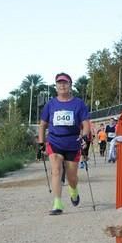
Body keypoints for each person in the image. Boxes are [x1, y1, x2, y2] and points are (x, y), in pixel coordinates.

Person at [37, 73, 91, 215]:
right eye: (59, 83)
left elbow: (86, 124)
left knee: (72, 177)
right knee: (55, 170)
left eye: (65, 83)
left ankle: (73, 190)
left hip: (73, 143)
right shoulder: (50, 104)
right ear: (56, 87)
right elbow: (42, 125)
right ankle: (57, 203)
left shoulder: (79, 104)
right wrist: (41, 143)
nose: (62, 85)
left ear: (70, 86)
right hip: (55, 141)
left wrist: (85, 137)